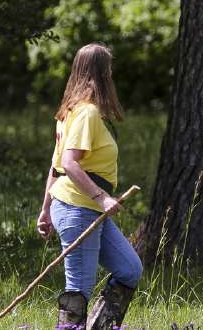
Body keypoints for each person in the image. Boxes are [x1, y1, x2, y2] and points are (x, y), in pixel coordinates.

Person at [36, 42, 143, 330]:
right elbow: (67, 164)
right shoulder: (86, 114)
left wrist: (46, 210)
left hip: (84, 208)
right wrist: (103, 197)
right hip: (78, 207)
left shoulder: (70, 112)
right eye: (108, 69)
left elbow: (54, 166)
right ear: (101, 73)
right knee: (79, 288)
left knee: (129, 270)